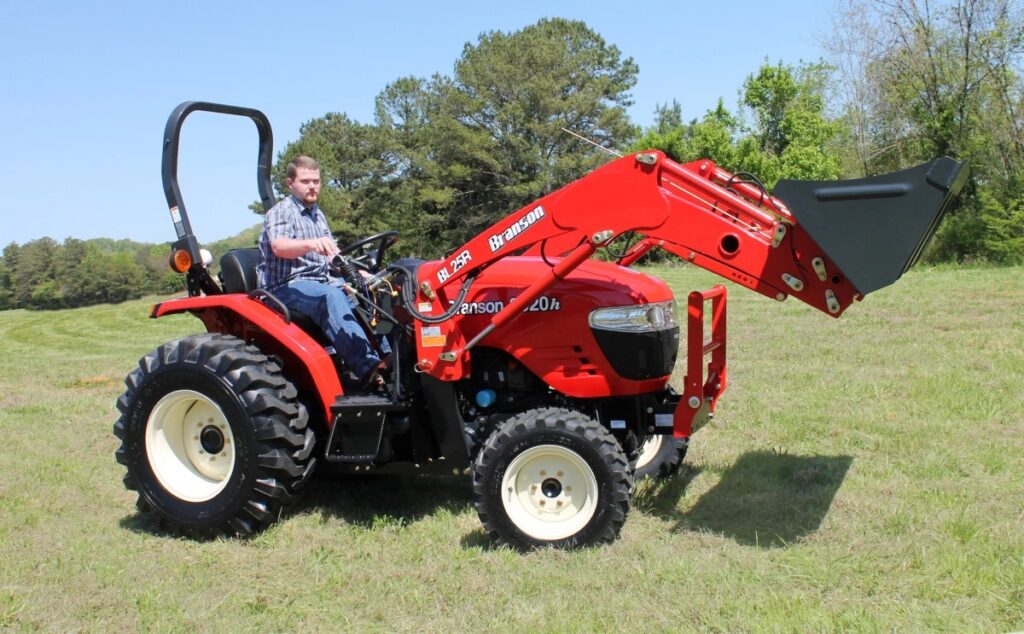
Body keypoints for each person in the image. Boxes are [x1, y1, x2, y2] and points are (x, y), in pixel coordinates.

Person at [257, 155, 389, 388]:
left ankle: (390, 355)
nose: (312, 186)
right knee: (330, 296)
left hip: (321, 278)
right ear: (290, 183)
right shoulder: (281, 212)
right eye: (305, 181)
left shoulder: (317, 214)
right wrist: (310, 244)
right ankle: (367, 367)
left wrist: (358, 272)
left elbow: (332, 254)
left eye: (316, 181)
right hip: (286, 285)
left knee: (374, 287)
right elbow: (279, 246)